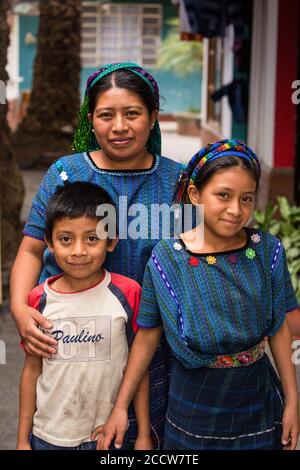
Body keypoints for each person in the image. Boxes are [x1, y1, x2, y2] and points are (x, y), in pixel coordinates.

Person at [11, 62, 183, 448]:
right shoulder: (66, 173)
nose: (119, 126)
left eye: (132, 113)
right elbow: (32, 248)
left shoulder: (178, 182)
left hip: (148, 345)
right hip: (70, 342)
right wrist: (22, 312)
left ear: (153, 117)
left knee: (137, 439)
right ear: (92, 119)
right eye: (106, 115)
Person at [98, 140, 299, 451]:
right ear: (195, 195)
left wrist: (292, 401)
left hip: (258, 401)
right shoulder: (168, 259)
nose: (236, 209)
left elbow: (279, 329)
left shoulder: (266, 251)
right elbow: (147, 336)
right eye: (223, 195)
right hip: (192, 406)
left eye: (246, 198)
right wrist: (120, 407)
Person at [16, 182, 153, 450]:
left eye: (92, 238)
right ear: (49, 243)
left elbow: (138, 368)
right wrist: (23, 439)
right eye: (66, 239)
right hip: (48, 436)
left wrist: (144, 435)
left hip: (109, 436)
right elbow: (32, 371)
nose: (78, 251)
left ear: (111, 241)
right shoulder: (38, 300)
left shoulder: (128, 294)